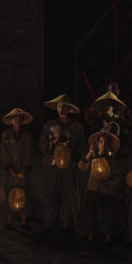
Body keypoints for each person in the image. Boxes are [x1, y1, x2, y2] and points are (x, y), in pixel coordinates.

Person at [38, 94, 86, 235]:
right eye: (59, 106)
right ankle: (48, 224)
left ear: (69, 109)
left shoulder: (76, 127)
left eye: (65, 106)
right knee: (50, 193)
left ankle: (65, 225)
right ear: (56, 108)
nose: (62, 109)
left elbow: (82, 146)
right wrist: (52, 143)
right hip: (53, 164)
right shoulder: (50, 125)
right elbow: (42, 143)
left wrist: (72, 153)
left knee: (67, 194)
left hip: (69, 166)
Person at [78, 130, 121, 245]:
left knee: (107, 215)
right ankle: (90, 237)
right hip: (93, 188)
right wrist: (88, 154)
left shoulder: (112, 160)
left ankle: (107, 239)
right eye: (101, 142)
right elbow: (82, 167)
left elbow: (117, 176)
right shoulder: (93, 157)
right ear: (97, 144)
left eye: (106, 143)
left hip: (106, 191)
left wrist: (109, 183)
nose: (103, 145)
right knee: (91, 213)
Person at [0, 107, 33, 230]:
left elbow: (29, 153)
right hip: (10, 170)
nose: (17, 121)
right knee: (9, 193)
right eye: (15, 118)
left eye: (19, 118)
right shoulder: (6, 135)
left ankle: (24, 221)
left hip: (24, 170)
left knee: (25, 193)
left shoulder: (27, 135)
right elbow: (4, 153)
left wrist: (23, 170)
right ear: (11, 121)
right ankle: (9, 221)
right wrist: (11, 170)